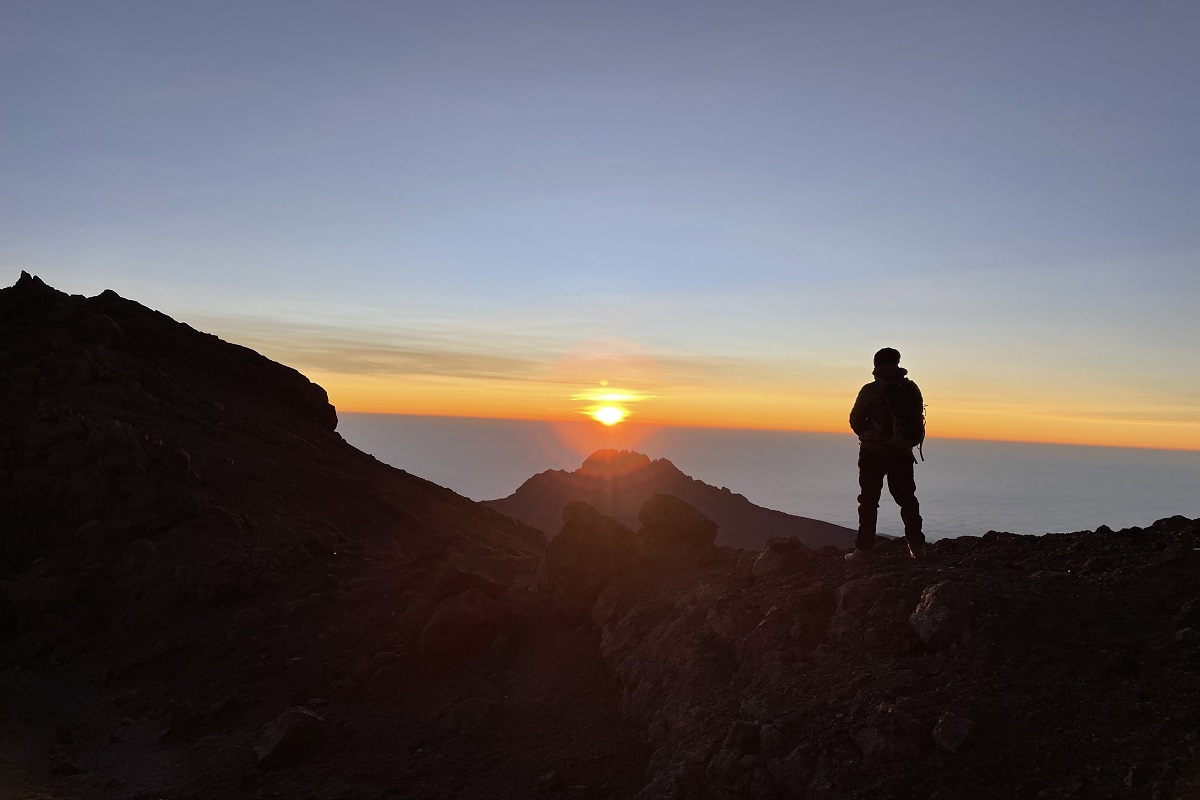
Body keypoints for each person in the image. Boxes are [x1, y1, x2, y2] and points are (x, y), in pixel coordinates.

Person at [845, 347, 926, 562]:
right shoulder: (912, 388)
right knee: (907, 499)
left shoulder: (871, 390)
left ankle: (863, 550)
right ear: (897, 363)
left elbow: (855, 420)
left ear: (876, 365)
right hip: (902, 453)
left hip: (873, 453)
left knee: (869, 501)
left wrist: (868, 435)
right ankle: (918, 548)